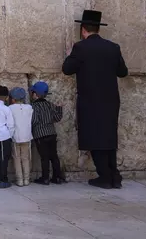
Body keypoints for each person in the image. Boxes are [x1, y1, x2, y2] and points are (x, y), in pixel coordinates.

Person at [63, 10, 128, 189]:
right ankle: (114, 176)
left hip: (90, 101)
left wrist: (70, 54)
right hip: (110, 101)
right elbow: (123, 72)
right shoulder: (113, 47)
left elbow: (67, 69)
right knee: (108, 137)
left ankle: (105, 177)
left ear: (83, 30)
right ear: (98, 29)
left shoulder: (80, 48)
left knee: (94, 137)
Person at [30, 81, 65, 185]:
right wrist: (59, 108)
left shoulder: (33, 107)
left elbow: (34, 120)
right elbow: (57, 117)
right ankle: (57, 177)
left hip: (40, 135)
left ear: (35, 94)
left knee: (44, 157)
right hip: (52, 133)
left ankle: (45, 178)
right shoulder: (50, 105)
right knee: (54, 156)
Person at [8, 87, 33, 187]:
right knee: (26, 158)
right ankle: (27, 179)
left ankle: (20, 180)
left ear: (13, 99)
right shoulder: (29, 107)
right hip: (27, 136)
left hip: (15, 136)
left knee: (17, 158)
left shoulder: (10, 108)